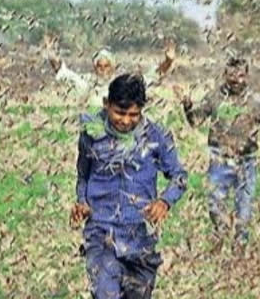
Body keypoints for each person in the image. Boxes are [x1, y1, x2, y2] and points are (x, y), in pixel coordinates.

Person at [70, 73, 188, 298]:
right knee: (105, 293)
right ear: (107, 104)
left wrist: (165, 201)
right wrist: (82, 202)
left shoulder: (156, 137)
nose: (125, 121)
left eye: (133, 114)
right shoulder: (91, 134)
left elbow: (179, 176)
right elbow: (83, 175)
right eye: (119, 112)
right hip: (101, 231)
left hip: (139, 234)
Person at [176, 56, 260, 249]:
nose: (236, 81)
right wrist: (187, 103)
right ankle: (219, 241)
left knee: (244, 209)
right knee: (215, 204)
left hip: (246, 162)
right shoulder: (215, 97)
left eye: (240, 76)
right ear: (224, 75)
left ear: (247, 76)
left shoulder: (257, 101)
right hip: (220, 160)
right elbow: (195, 121)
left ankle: (239, 253)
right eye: (231, 76)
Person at [46, 37, 176, 109]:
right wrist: (51, 55)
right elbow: (65, 73)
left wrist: (168, 61)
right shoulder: (88, 83)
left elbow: (151, 77)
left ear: (112, 67)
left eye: (106, 66)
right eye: (99, 66)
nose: (102, 69)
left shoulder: (122, 84)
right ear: (95, 67)